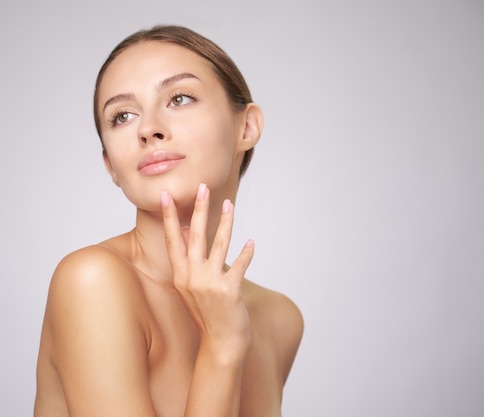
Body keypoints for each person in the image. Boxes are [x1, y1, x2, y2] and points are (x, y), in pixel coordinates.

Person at [34, 24, 304, 417]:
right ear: (111, 166)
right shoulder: (92, 281)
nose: (148, 129)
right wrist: (222, 346)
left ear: (246, 127)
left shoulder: (278, 318)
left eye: (179, 98)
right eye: (122, 116)